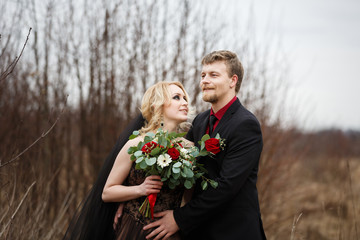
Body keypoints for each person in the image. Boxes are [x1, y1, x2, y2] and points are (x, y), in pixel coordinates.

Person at [144, 50, 267, 240]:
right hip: (200, 230)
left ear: (233, 81)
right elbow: (177, 166)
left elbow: (226, 187)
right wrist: (134, 198)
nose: (204, 80)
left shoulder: (246, 125)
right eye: (203, 75)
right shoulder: (199, 121)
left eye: (213, 75)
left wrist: (178, 218)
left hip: (234, 231)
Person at [63, 81, 191, 240]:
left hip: (168, 233)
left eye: (185, 98)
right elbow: (107, 192)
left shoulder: (189, 150)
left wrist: (178, 217)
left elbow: (192, 197)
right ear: (156, 105)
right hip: (133, 230)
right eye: (177, 97)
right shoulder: (136, 144)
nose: (185, 102)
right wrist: (140, 189)